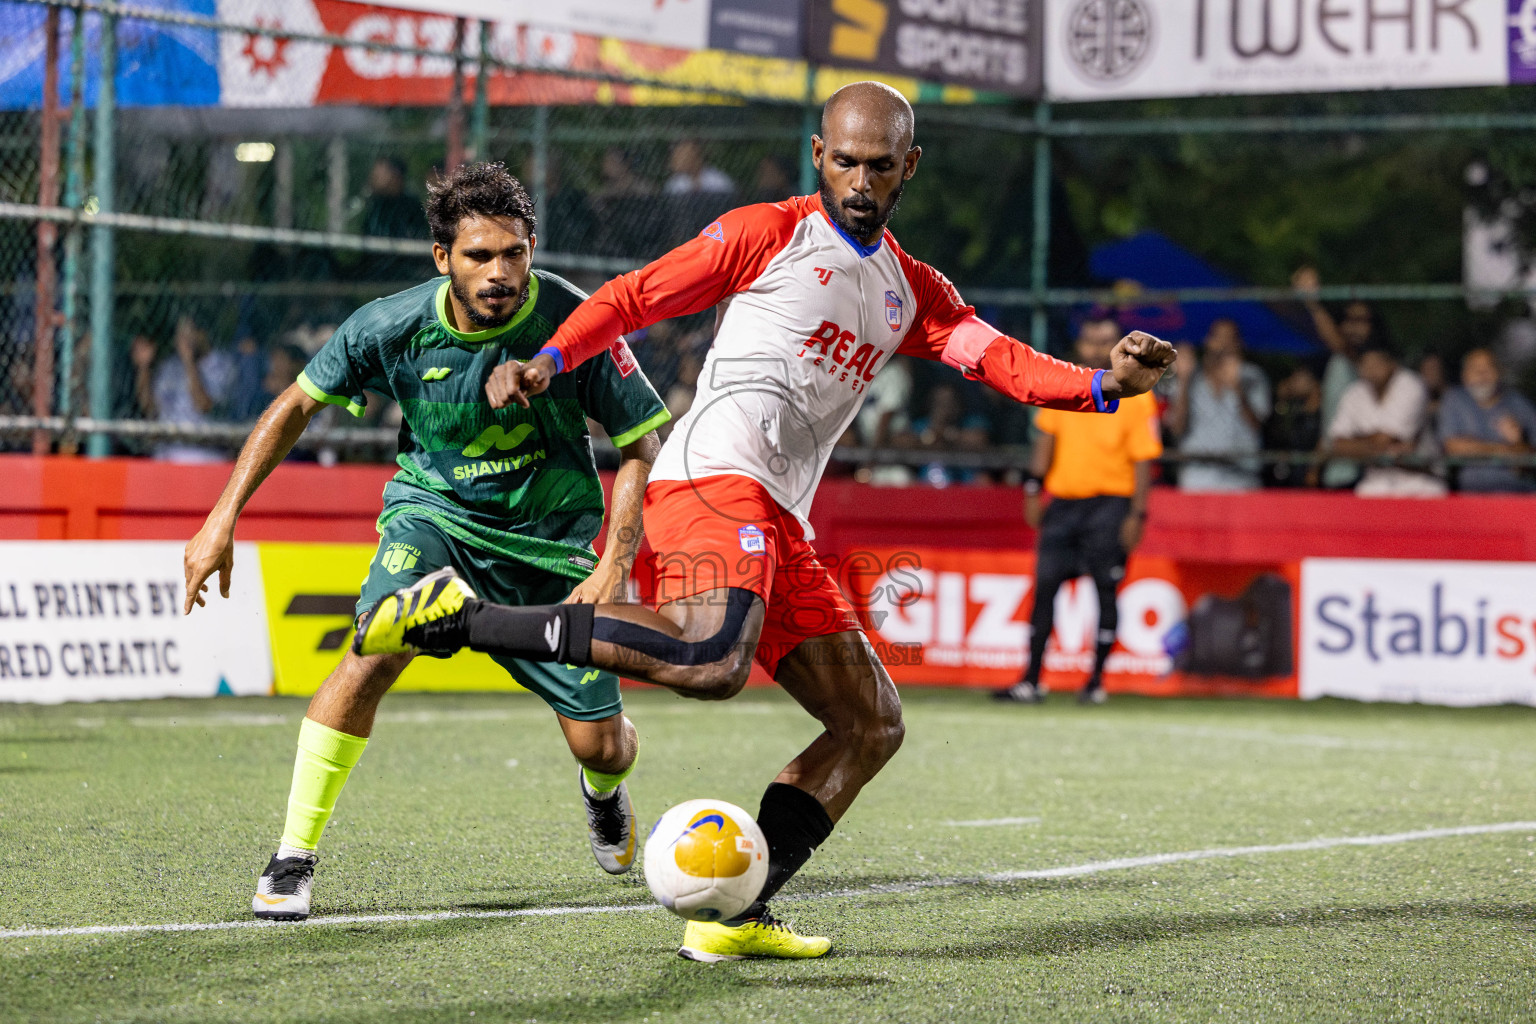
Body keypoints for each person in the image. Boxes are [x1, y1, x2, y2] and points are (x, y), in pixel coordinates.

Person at [351, 82, 1176, 961]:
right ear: (819, 155)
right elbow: (636, 296)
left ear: (910, 167)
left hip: (781, 517)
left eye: (880, 165)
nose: (860, 180)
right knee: (711, 660)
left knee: (871, 723)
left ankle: (735, 912)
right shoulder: (769, 233)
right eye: (846, 160)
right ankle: (460, 616)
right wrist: (553, 357)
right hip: (712, 479)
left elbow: (997, 359)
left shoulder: (911, 291)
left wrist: (1101, 389)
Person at [181, 162, 671, 922]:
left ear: (532, 247)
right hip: (433, 516)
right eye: (479, 256)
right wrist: (221, 518)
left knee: (600, 746)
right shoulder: (390, 326)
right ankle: (292, 856)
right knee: (374, 648)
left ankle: (603, 794)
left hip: (550, 544)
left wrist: (614, 561)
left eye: (513, 253)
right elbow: (294, 406)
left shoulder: (580, 322)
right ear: (443, 258)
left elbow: (644, 439)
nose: (499, 272)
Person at [993, 314, 1163, 706]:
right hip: (1065, 504)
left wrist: (1138, 515)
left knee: (1105, 591)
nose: (1097, 348)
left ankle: (1096, 683)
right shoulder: (1068, 382)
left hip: (1110, 506)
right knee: (1045, 589)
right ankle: (1031, 681)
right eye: (1090, 340)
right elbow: (1045, 441)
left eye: (1105, 340)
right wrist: (1034, 489)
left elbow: (1143, 462)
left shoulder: (1137, 397)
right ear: (1081, 344)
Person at [1323, 341, 1444, 497]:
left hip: (1420, 479)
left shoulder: (1411, 385)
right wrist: (1381, 447)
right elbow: (1338, 444)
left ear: (1391, 363)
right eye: (1365, 363)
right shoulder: (1355, 392)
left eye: (1376, 362)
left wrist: (1357, 441)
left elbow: (1385, 439)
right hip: (1376, 480)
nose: (1370, 369)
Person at [1164, 318, 1270, 491]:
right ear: (1208, 341)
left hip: (1242, 478)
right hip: (1197, 477)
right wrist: (1183, 380)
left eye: (1230, 339)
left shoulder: (1253, 376)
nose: (1223, 344)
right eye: (1219, 337)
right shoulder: (1190, 377)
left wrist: (1238, 389)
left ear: (1239, 344)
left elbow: (1258, 425)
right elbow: (1176, 428)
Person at [132, 315, 237, 463]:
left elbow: (203, 405)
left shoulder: (222, 365)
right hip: (166, 455)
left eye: (189, 333)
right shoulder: (170, 366)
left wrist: (189, 361)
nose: (184, 340)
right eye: (180, 334)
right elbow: (149, 408)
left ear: (203, 334)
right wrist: (143, 368)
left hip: (204, 457)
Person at [1439, 348, 1536, 492]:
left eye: (1488, 368)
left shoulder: (1519, 404)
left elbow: (1530, 456)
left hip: (1518, 493)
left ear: (1499, 372)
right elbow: (1453, 447)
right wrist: (1508, 450)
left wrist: (1518, 442)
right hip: (1473, 496)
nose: (1482, 375)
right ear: (1464, 375)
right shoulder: (1455, 399)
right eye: (1475, 369)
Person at [1263, 364, 1323, 487]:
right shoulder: (1295, 410)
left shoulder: (1323, 414)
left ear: (1313, 383)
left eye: (1297, 379)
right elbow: (1277, 434)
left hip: (1311, 477)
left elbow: (1323, 442)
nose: (1292, 383)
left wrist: (1313, 470)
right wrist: (1280, 400)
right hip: (1291, 475)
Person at [664, 139, 735, 195]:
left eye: (684, 155)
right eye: (677, 156)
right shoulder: (675, 184)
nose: (678, 160)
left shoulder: (718, 181)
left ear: (697, 156)